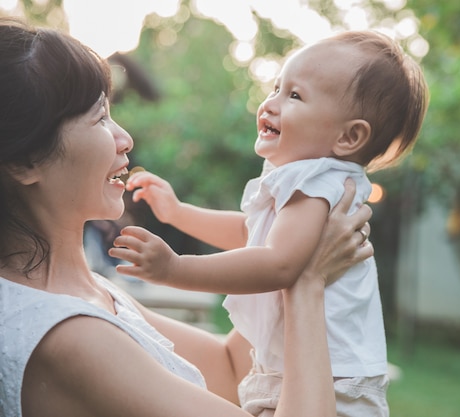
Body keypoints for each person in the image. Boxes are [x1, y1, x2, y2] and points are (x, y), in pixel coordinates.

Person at [0, 17, 374, 417]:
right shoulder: (69, 335)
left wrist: (296, 242)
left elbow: (231, 372)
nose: (125, 138)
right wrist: (307, 282)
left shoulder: (88, 293)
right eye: (100, 118)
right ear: (25, 161)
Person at [112, 30, 429, 416]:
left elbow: (278, 263)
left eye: (294, 96)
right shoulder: (308, 180)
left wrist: (175, 268)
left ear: (349, 136)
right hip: (303, 375)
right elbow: (251, 233)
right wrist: (179, 212)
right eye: (276, 87)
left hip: (332, 388)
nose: (270, 104)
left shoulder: (317, 182)